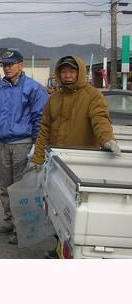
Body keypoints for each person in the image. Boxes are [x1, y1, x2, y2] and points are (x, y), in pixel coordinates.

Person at [31, 55, 121, 258]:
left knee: (74, 214)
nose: (68, 75)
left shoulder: (93, 96)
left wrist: (107, 139)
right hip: (56, 164)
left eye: (71, 71)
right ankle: (58, 247)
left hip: (80, 164)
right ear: (59, 74)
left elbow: (100, 118)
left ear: (79, 73)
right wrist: (37, 157)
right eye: (64, 72)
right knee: (55, 210)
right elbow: (44, 128)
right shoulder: (54, 98)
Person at [0, 48, 49, 245]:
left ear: (21, 65)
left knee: (21, 189)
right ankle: (9, 222)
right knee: (5, 188)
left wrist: (36, 144)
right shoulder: (2, 88)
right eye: (4, 65)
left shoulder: (33, 88)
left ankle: (21, 227)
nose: (7, 68)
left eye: (11, 64)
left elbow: (40, 118)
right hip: (4, 144)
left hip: (23, 144)